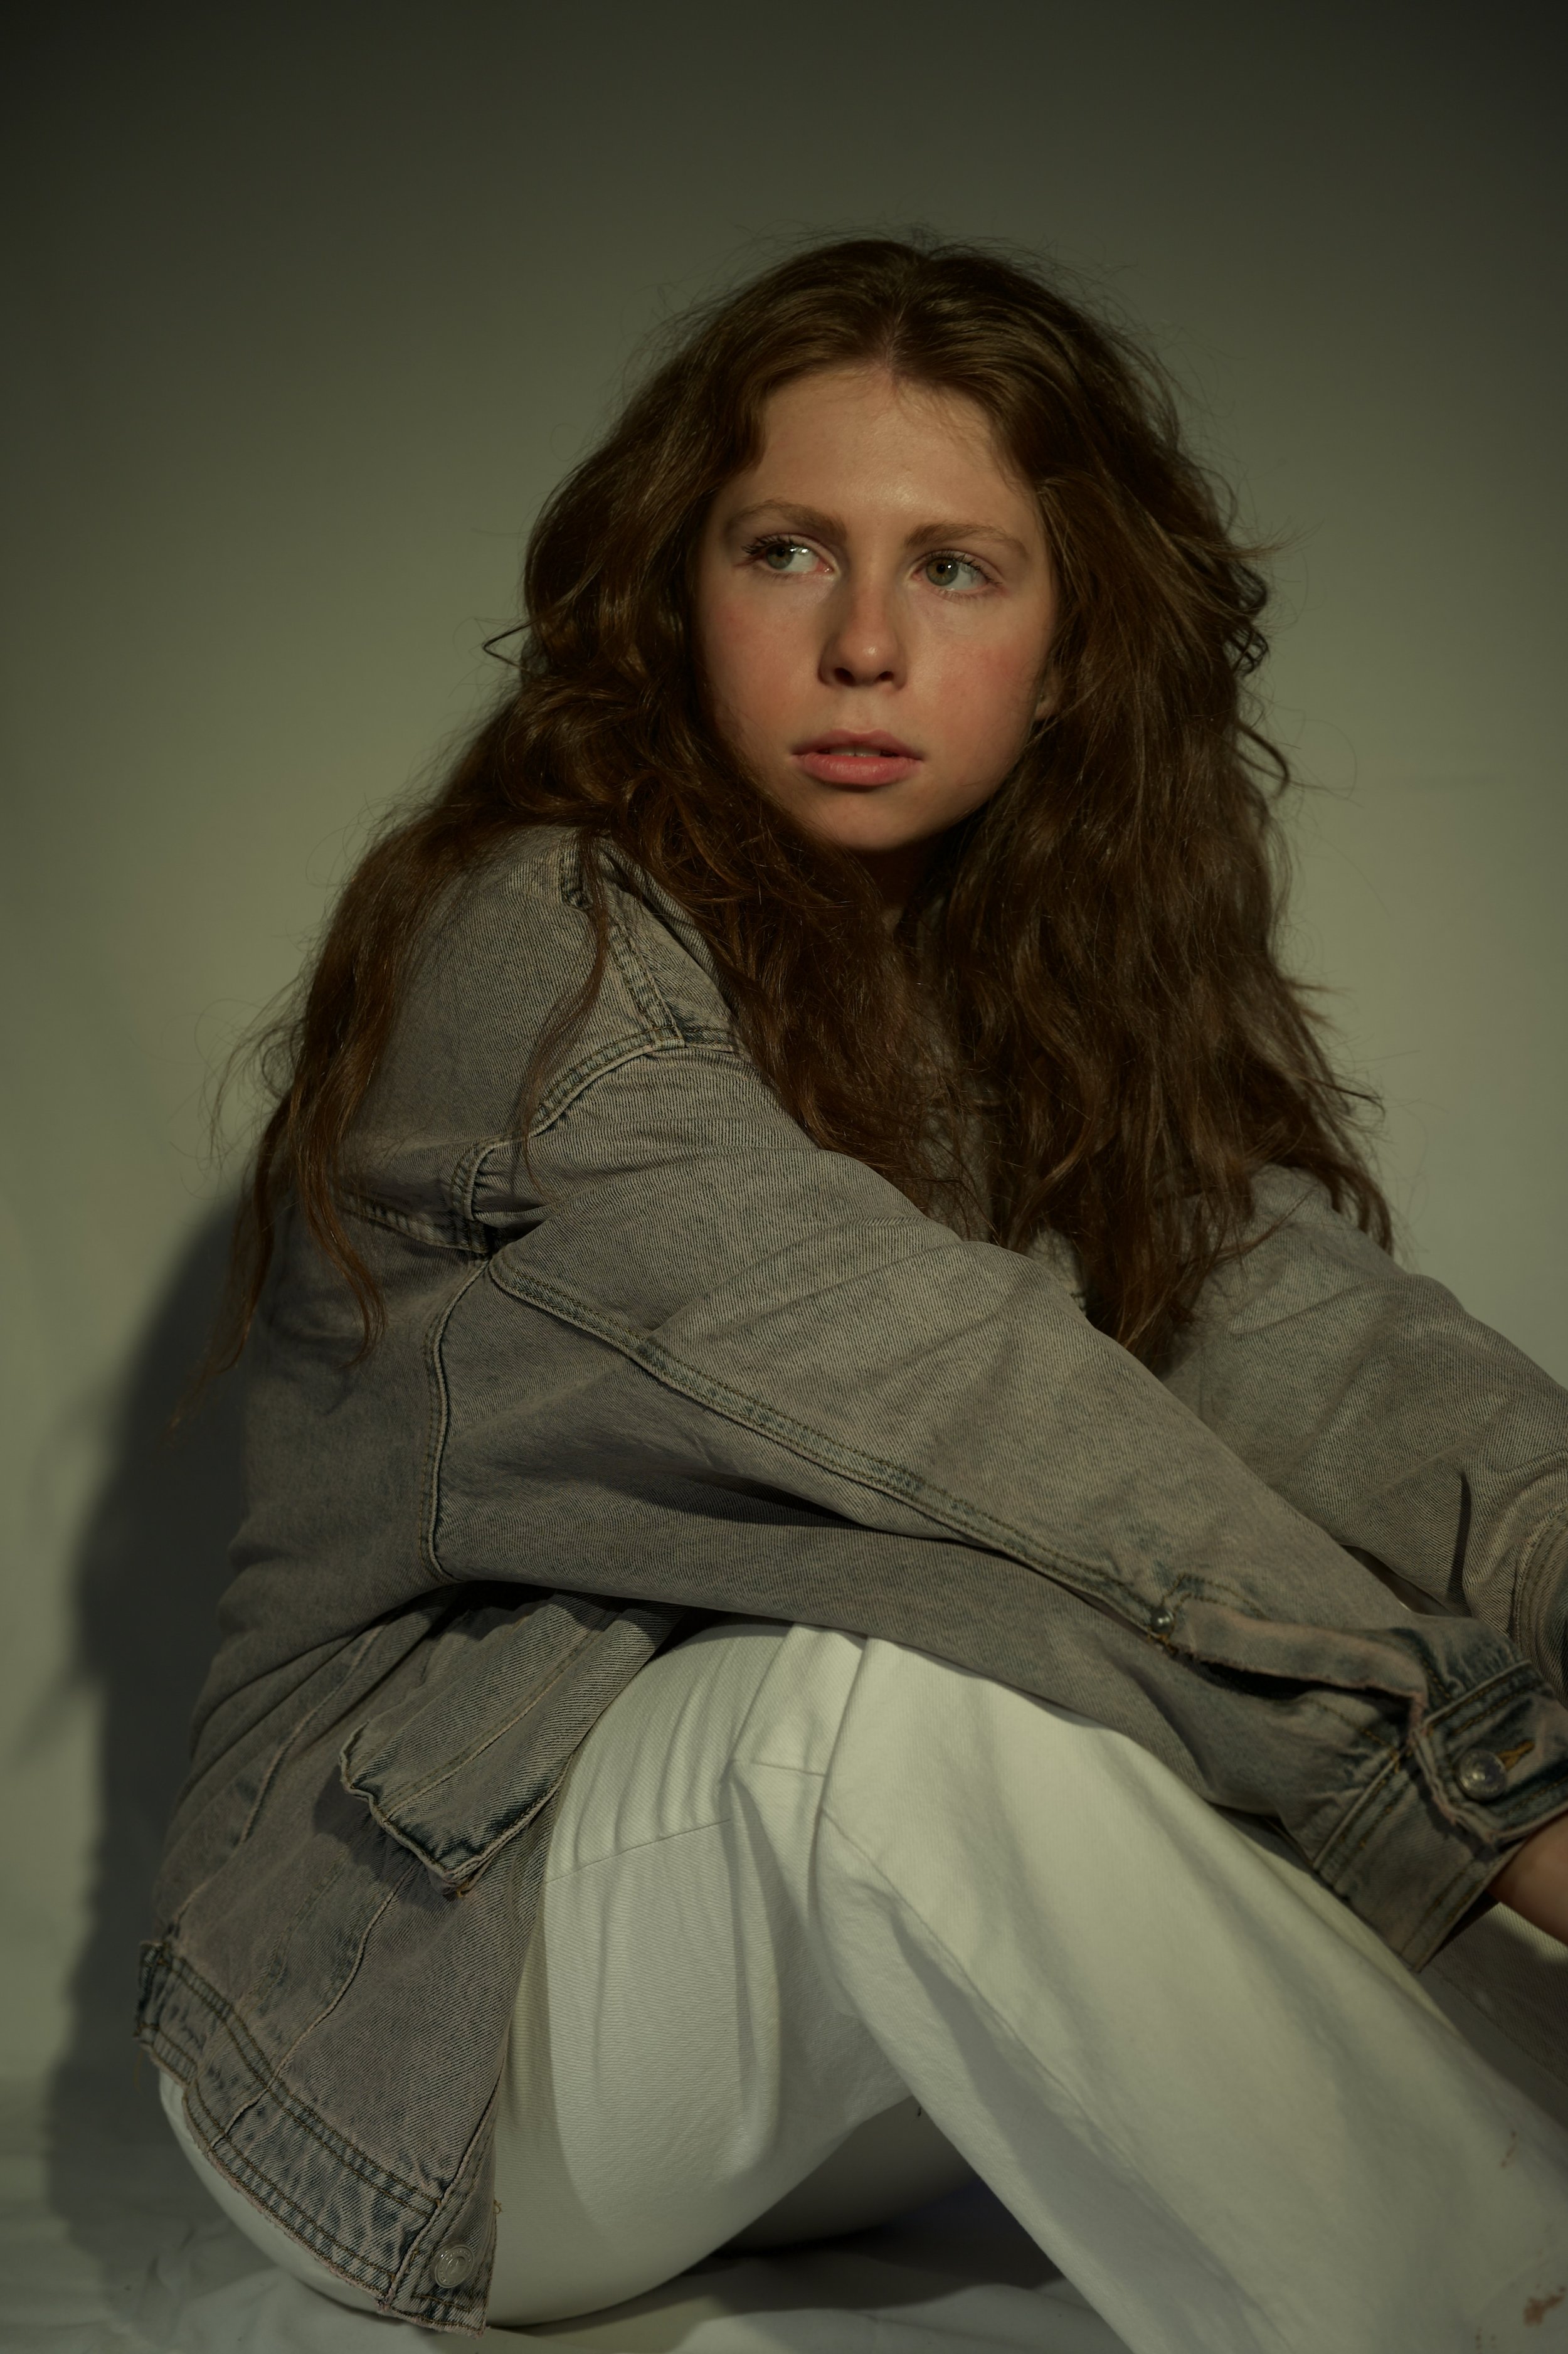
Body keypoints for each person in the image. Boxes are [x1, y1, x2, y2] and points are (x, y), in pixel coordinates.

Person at [141, 237, 1568, 2351]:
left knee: (1086, 1669)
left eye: (960, 570)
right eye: (788, 550)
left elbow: (1344, 1361)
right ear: (674, 594)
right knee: (898, 1686)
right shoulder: (536, 956)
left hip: (848, 2065)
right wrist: (1503, 1792)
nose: (868, 644)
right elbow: (959, 1394)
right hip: (423, 2035)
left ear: (1075, 644)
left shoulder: (1049, 996)